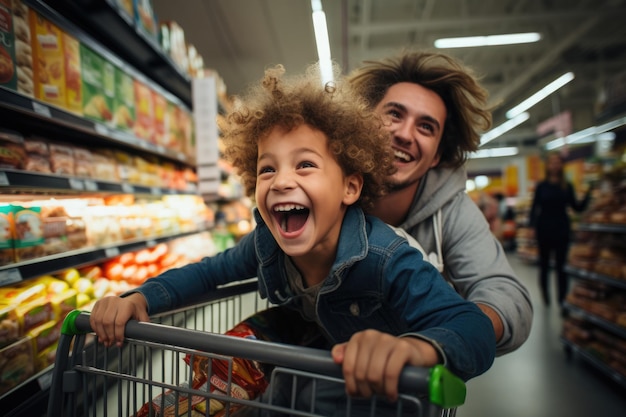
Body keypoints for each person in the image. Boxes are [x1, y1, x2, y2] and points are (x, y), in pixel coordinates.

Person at [89, 64, 496, 406]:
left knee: (295, 392)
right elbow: (208, 273)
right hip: (327, 355)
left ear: (350, 188)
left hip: (384, 394)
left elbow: (470, 325)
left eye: (304, 165)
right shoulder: (267, 241)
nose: (282, 181)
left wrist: (413, 349)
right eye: (268, 169)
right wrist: (138, 296)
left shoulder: (387, 257)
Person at [347, 50, 533, 356]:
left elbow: (508, 296)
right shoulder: (328, 187)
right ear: (363, 122)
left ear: (436, 156)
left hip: (403, 391)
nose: (405, 134)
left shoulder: (452, 212)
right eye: (394, 114)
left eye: (426, 127)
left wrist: (441, 339)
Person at [529, 152, 591, 308]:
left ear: (561, 165)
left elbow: (576, 207)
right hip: (544, 229)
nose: (555, 165)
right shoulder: (541, 186)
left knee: (561, 267)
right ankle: (545, 295)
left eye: (557, 162)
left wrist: (588, 196)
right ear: (548, 166)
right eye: (552, 162)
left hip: (562, 229)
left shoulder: (567, 186)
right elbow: (534, 208)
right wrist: (531, 227)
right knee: (544, 265)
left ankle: (562, 299)